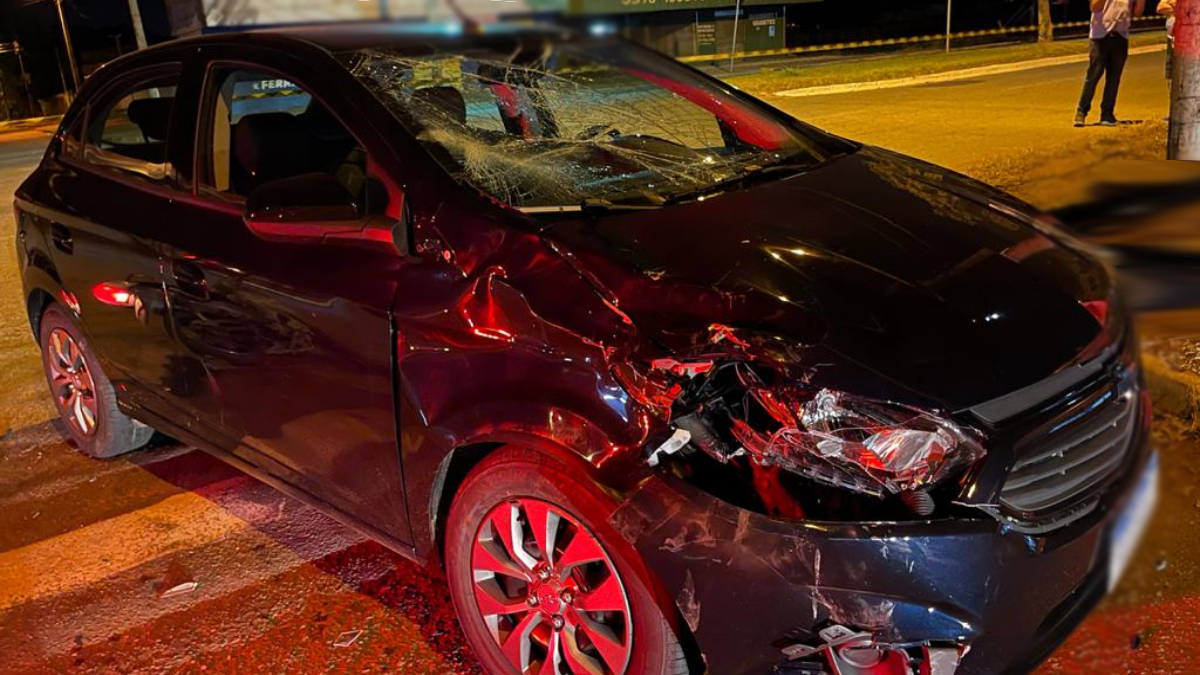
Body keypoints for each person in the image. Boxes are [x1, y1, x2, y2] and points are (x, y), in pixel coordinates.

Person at [1075, 0, 1147, 127]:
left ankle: (1107, 114)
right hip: (1100, 36)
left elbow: (1137, 12)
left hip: (1121, 35)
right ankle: (1081, 111)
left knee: (1114, 78)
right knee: (1094, 75)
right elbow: (1094, 7)